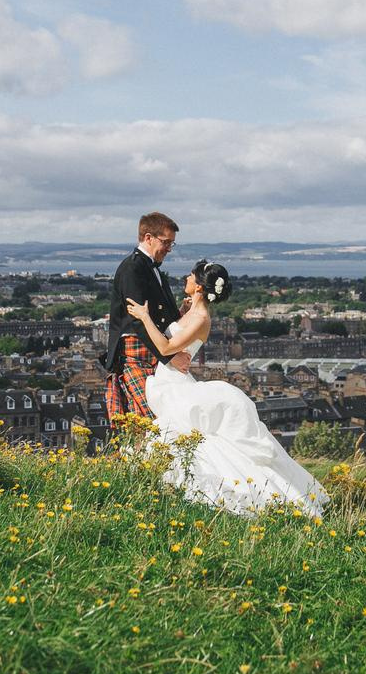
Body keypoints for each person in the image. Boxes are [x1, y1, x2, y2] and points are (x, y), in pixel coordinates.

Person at [126, 260, 329, 517]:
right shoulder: (190, 311)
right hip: (169, 379)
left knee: (186, 438)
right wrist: (180, 311)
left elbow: (166, 349)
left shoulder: (201, 318)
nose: (186, 278)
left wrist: (144, 317)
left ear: (199, 286)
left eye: (191, 276)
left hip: (173, 384)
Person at [102, 212, 191, 422]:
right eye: (166, 242)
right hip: (138, 352)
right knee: (154, 419)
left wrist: (180, 313)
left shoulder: (151, 269)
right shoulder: (132, 268)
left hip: (153, 351)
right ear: (148, 237)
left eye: (172, 244)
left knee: (159, 417)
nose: (169, 249)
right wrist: (170, 357)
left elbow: (158, 315)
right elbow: (138, 320)